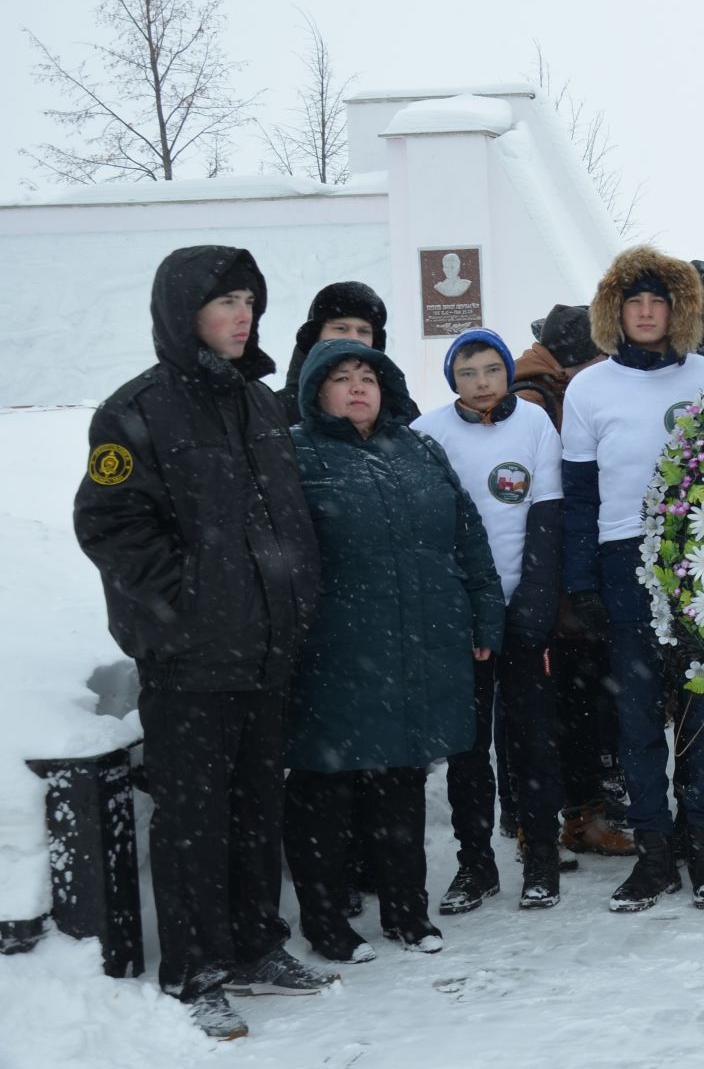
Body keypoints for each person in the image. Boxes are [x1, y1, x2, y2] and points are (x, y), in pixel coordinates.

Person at [74, 246, 330, 1039]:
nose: (243, 317)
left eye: (250, 301)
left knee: (257, 807)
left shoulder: (259, 403)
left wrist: (294, 603)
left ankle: (255, 945)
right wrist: (178, 614)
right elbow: (110, 525)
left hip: (265, 652)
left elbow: (282, 519)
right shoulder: (135, 411)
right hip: (189, 661)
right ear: (184, 313)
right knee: (193, 819)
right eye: (226, 304)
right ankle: (194, 970)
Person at [284, 340, 505, 960]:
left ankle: (408, 914)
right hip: (334, 652)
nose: (359, 388)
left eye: (368, 377)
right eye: (342, 379)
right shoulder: (296, 455)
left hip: (417, 647)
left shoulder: (418, 450)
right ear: (315, 392)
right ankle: (325, 923)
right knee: (324, 788)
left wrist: (487, 618)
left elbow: (468, 542)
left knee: (401, 782)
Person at [562, 247, 704, 912]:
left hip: (702, 562)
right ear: (616, 313)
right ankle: (654, 851)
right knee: (636, 721)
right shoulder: (588, 388)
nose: (647, 312)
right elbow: (577, 494)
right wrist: (582, 583)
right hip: (623, 563)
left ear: (680, 309)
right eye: (635, 302)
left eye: (659, 301)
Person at [412, 329, 568, 913]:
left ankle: (542, 858)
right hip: (460, 616)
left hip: (523, 608)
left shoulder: (533, 425)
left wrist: (533, 603)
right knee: (469, 748)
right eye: (468, 373)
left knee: (532, 740)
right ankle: (474, 863)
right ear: (453, 379)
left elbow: (546, 519)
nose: (481, 383)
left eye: (491, 370)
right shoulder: (426, 434)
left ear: (507, 372)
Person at [509, 306, 631, 859]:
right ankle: (563, 817)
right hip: (553, 580)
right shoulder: (538, 402)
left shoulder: (533, 392)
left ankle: (549, 814)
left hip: (562, 575)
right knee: (567, 710)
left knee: (567, 708)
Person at [278, 281, 413, 426]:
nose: (353, 338)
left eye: (364, 331)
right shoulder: (277, 411)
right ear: (316, 335)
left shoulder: (399, 409)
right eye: (341, 328)